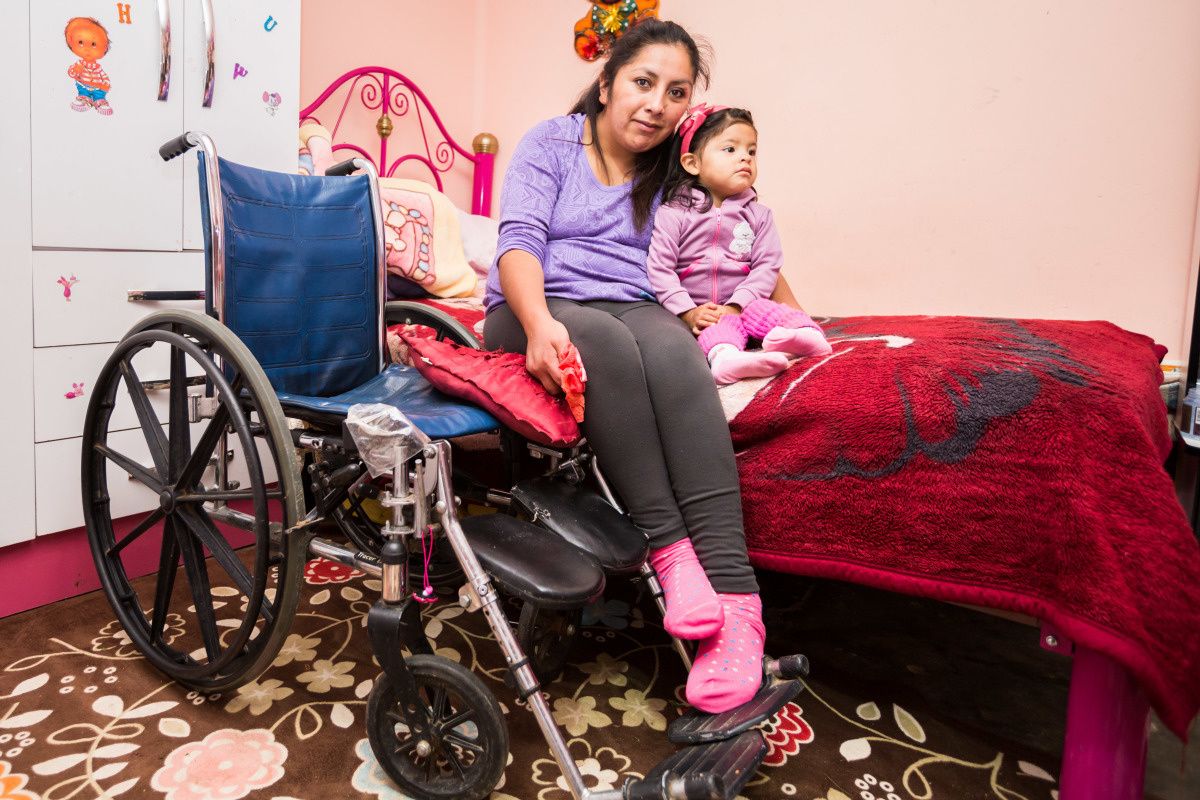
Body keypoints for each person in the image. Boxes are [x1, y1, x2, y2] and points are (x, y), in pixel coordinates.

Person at [483, 19, 767, 713]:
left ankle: (738, 604)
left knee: (674, 348)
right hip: (532, 305)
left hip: (633, 303)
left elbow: (744, 228)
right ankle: (672, 555)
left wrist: (783, 314)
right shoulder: (549, 143)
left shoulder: (676, 164)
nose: (656, 104)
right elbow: (518, 242)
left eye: (675, 92)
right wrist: (541, 323)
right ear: (607, 83)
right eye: (643, 82)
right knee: (604, 345)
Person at [647, 104, 831, 385]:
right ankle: (727, 359)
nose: (745, 157)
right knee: (717, 330)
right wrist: (688, 311)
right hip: (703, 310)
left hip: (746, 304)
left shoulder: (759, 215)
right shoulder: (673, 214)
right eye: (730, 149)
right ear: (692, 163)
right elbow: (660, 269)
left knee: (770, 312)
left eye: (751, 151)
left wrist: (739, 303)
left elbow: (767, 266)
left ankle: (804, 336)